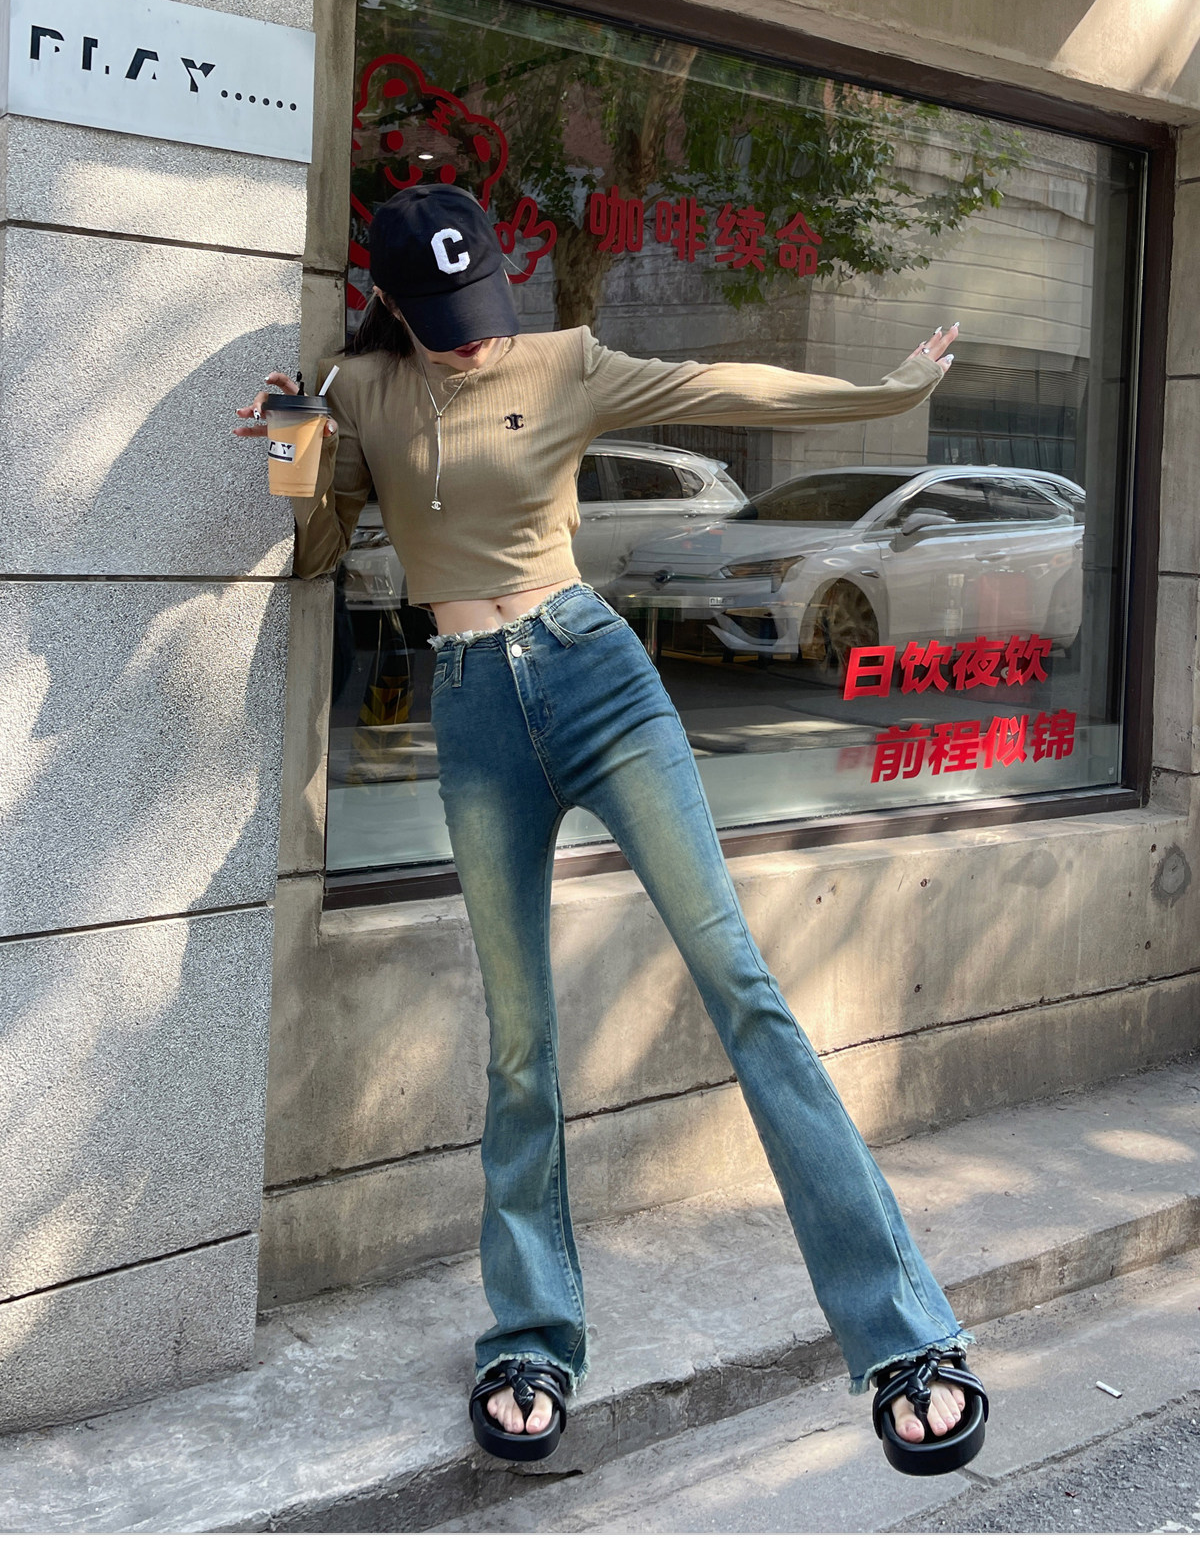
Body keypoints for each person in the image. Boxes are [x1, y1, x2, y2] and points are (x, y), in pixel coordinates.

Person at [236, 183, 989, 1476]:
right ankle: (532, 1334)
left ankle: (905, 1335)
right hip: (475, 713)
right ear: (397, 309)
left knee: (742, 988)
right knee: (520, 1042)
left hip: (598, 678)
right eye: (446, 320)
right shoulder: (362, 389)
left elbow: (728, 383)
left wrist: (885, 388)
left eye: (484, 308)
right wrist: (293, 446)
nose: (477, 337)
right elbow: (315, 550)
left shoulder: (565, 362)